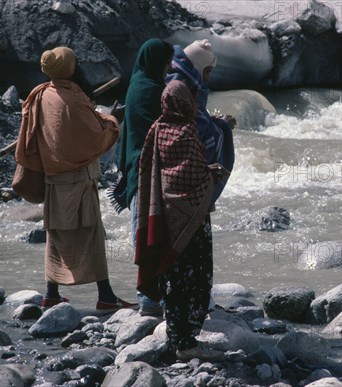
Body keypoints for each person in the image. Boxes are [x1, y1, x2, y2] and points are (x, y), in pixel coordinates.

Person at [15, 46, 135, 310]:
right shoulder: (73, 98)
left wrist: (102, 117)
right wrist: (113, 121)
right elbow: (91, 137)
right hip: (78, 179)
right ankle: (105, 296)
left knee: (55, 235)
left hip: (52, 179)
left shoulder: (41, 94)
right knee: (92, 235)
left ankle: (51, 293)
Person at [135, 80, 229, 361]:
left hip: (164, 217)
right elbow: (192, 177)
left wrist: (203, 170)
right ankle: (187, 343)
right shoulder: (187, 131)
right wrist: (211, 173)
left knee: (171, 277)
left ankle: (178, 337)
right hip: (191, 222)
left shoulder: (156, 129)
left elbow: (158, 171)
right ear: (186, 102)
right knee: (194, 277)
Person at [110, 38, 174, 316]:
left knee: (147, 232)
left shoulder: (137, 85)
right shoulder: (151, 91)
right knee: (150, 233)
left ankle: (152, 295)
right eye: (167, 61)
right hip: (148, 171)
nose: (170, 67)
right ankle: (149, 299)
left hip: (140, 170)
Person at [166, 39, 235, 206]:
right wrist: (221, 126)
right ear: (198, 66)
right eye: (207, 71)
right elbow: (192, 127)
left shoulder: (184, 83)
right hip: (184, 179)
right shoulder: (180, 89)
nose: (207, 78)